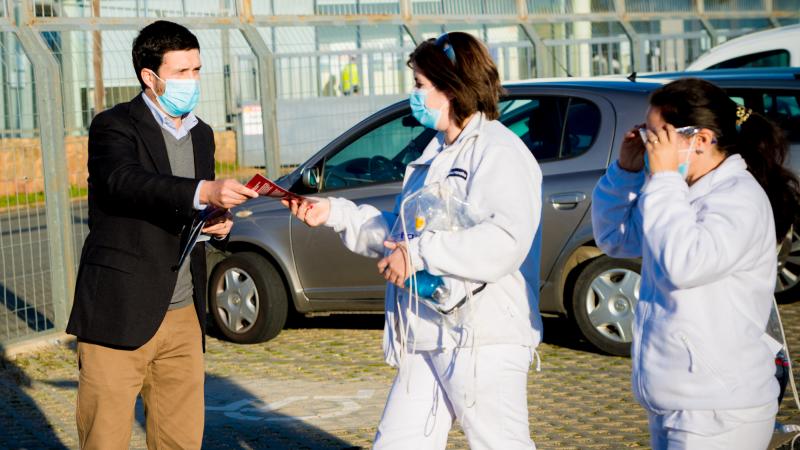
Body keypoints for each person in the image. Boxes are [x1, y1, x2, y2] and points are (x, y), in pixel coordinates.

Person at [285, 32, 543, 449]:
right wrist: (334, 213)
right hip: (425, 332)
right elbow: (403, 236)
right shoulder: (435, 154)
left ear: (451, 88)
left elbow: (505, 241)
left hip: (483, 338)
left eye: (421, 85)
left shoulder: (499, 152)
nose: (414, 95)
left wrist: (419, 255)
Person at [66, 20, 259, 450]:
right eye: (181, 72)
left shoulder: (202, 134)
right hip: (120, 311)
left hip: (183, 314)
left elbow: (190, 210)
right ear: (149, 77)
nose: (192, 81)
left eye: (196, 70)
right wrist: (202, 190)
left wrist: (214, 224)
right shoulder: (113, 126)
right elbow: (125, 182)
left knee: (181, 440)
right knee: (105, 439)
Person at [592, 78, 800, 449]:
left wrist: (665, 179)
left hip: (720, 409)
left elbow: (683, 264)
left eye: (658, 136)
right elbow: (616, 238)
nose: (649, 145)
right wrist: (624, 171)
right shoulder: (680, 192)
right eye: (646, 133)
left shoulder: (738, 199)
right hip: (676, 401)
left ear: (700, 140)